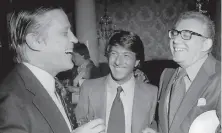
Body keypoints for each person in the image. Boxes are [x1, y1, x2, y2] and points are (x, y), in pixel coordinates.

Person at [0, 4, 105, 133]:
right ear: (35, 41)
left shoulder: (53, 85)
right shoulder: (11, 100)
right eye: (65, 33)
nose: (75, 39)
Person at [144, 11, 221, 133]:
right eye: (175, 33)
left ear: (205, 44)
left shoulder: (219, 77)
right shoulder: (166, 75)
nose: (175, 40)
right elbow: (164, 123)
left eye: (186, 34)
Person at [75, 30, 158, 133]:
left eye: (126, 55)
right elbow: (78, 123)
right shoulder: (88, 88)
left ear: (136, 62)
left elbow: (155, 125)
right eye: (114, 53)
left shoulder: (152, 93)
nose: (118, 62)